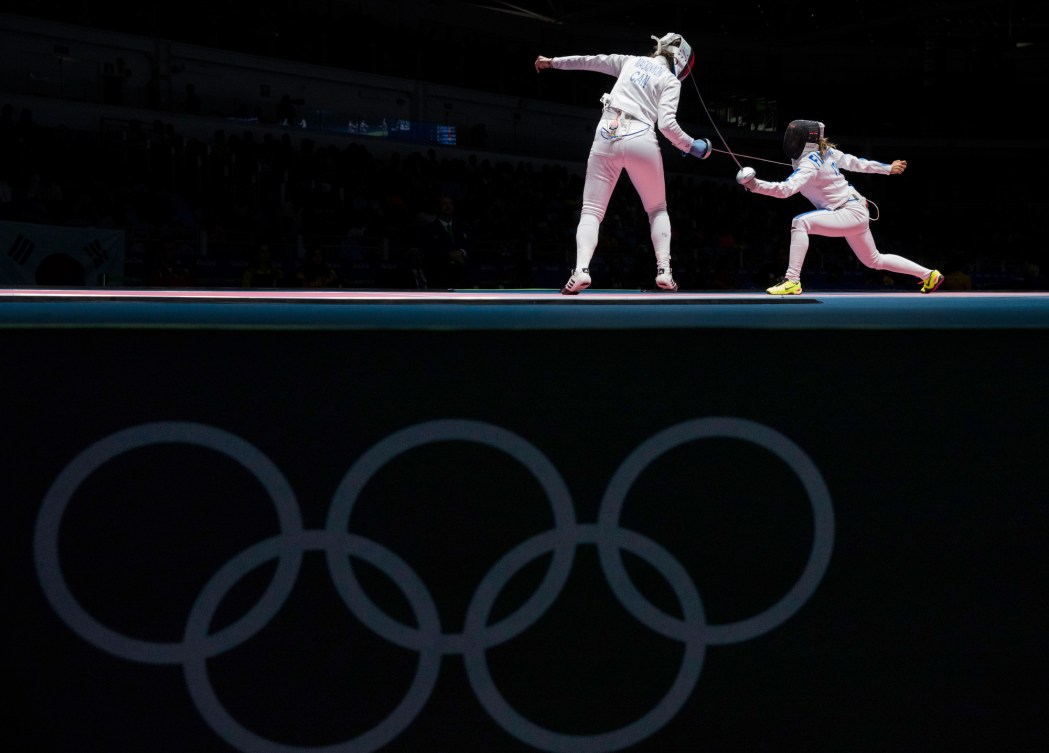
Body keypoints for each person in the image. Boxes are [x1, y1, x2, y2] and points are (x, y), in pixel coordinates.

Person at [534, 32, 712, 294]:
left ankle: (581, 271)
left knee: (592, 211)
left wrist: (553, 61)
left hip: (608, 131)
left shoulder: (630, 62)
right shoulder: (671, 81)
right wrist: (693, 146)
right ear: (681, 61)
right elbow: (667, 126)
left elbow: (591, 61)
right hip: (641, 136)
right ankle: (664, 272)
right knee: (657, 209)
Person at [736, 119, 943, 295]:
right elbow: (856, 163)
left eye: (796, 138)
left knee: (800, 222)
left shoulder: (810, 162)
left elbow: (785, 190)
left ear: (806, 141)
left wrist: (754, 185)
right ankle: (929, 275)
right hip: (855, 209)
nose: (792, 142)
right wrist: (887, 168)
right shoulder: (827, 153)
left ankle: (792, 280)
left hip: (848, 211)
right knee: (874, 260)